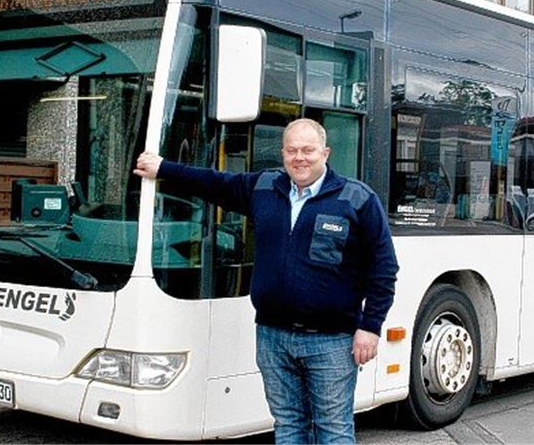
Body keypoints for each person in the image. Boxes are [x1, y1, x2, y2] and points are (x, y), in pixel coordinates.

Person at [133, 118, 398, 444]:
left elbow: (384, 270)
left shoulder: (357, 199)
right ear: (283, 153)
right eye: (291, 150)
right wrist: (163, 168)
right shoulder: (263, 187)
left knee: (333, 430)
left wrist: (370, 327)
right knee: (287, 425)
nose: (299, 157)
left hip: (331, 341)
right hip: (273, 337)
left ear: (325, 153)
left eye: (308, 150)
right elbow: (214, 183)